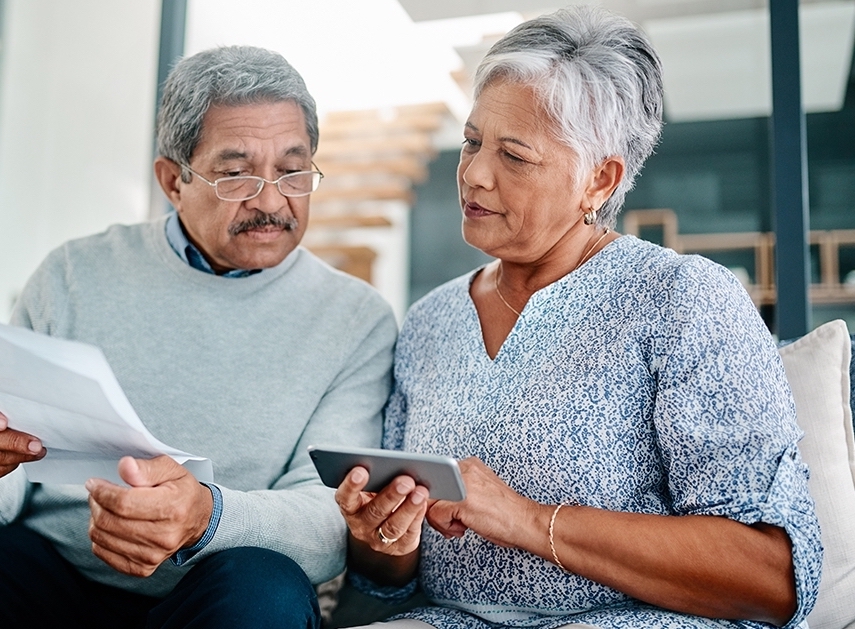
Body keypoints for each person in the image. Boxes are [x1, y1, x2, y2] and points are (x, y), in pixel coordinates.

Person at [334, 6, 822, 629]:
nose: (474, 173)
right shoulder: (429, 321)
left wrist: (529, 520)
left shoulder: (682, 299)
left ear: (600, 180)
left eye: (513, 155)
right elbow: (388, 586)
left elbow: (774, 577)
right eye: (472, 141)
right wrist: (386, 542)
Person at [0, 45, 397, 628]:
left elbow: (328, 518)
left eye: (293, 169)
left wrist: (205, 516)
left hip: (216, 593)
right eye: (236, 174)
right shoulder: (73, 275)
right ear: (172, 180)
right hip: (55, 578)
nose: (270, 200)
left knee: (269, 589)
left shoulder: (356, 319)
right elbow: (12, 482)